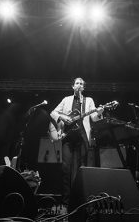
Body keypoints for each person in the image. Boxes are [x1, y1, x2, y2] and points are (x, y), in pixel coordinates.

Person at [49, 77, 104, 208]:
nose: (79, 85)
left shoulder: (88, 100)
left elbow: (94, 118)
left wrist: (100, 112)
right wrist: (63, 117)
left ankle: (80, 200)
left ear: (83, 88)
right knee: (66, 168)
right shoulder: (66, 99)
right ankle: (66, 201)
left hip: (82, 137)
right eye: (77, 83)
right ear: (73, 86)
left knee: (81, 168)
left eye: (81, 84)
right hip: (67, 137)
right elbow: (53, 113)